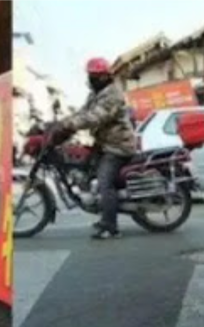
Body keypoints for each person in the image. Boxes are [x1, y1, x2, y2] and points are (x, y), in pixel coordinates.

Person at [55, 57, 137, 240]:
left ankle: (111, 227)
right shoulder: (96, 94)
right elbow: (83, 112)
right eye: (90, 75)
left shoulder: (113, 94)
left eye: (93, 76)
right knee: (85, 168)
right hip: (104, 144)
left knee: (104, 183)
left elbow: (95, 117)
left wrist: (70, 125)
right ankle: (102, 214)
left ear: (103, 76)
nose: (90, 79)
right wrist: (62, 123)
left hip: (118, 147)